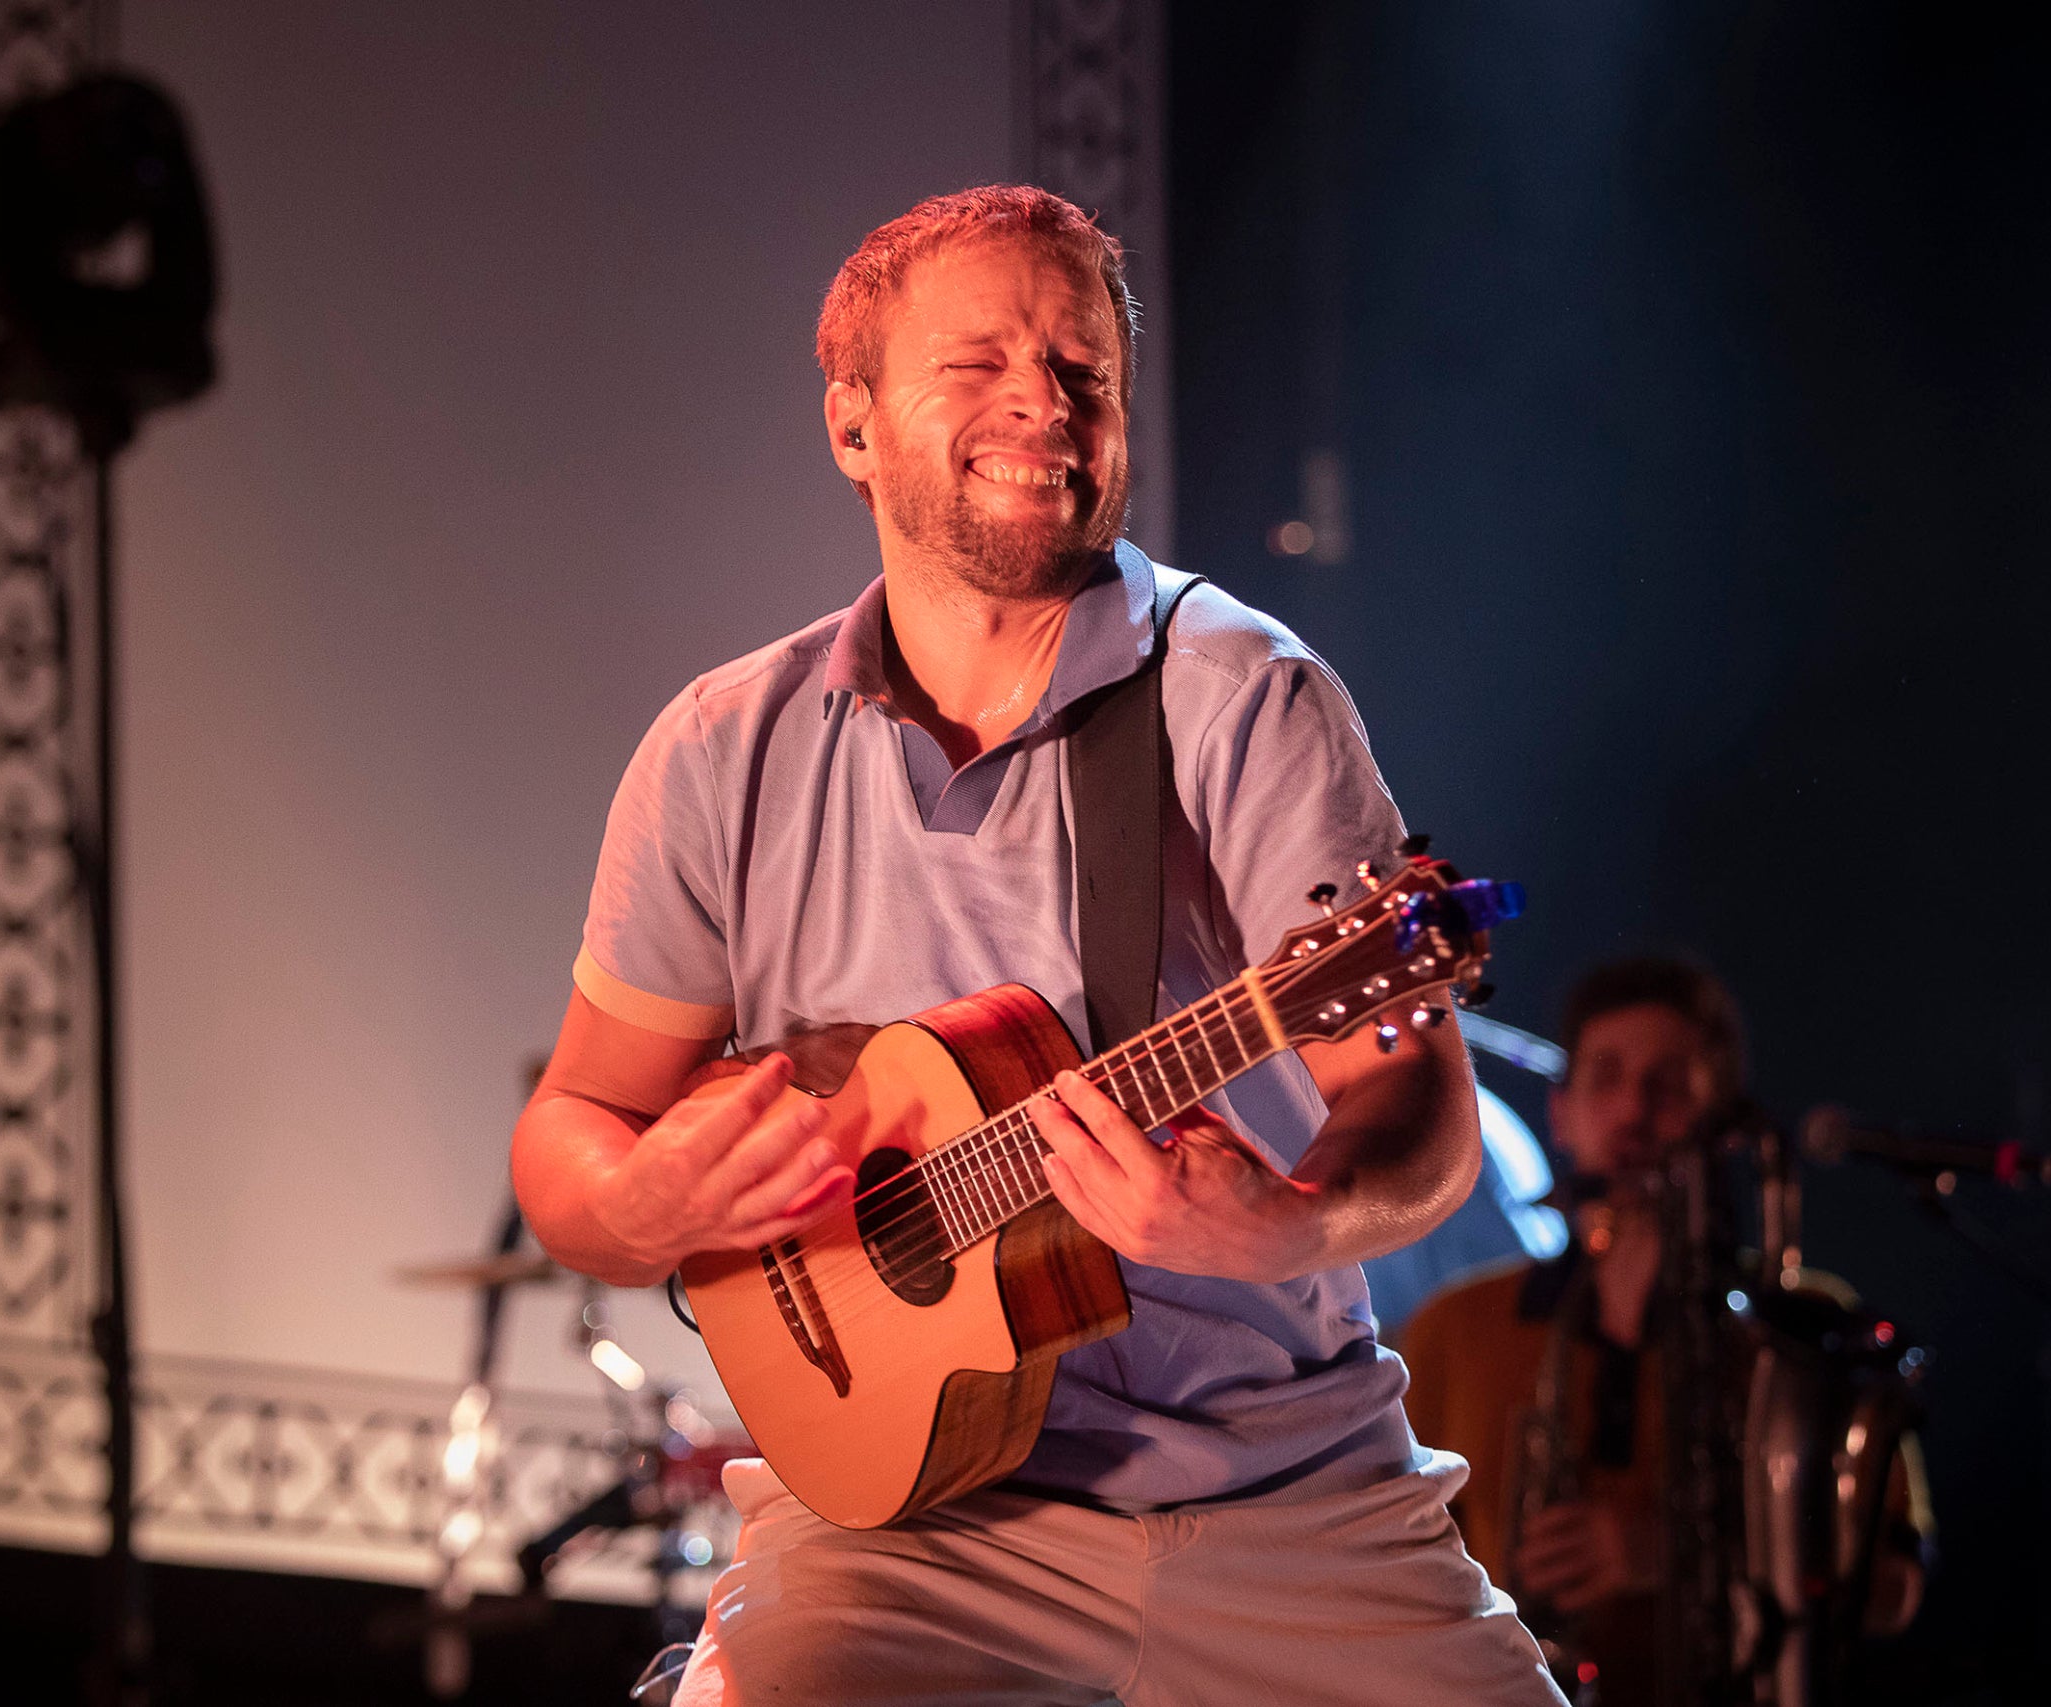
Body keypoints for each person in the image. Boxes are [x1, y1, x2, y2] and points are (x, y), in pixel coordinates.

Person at [508, 186, 1563, 1705]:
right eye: (980, 363)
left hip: (1280, 1490)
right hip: (898, 1517)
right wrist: (639, 1194)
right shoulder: (722, 745)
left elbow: (1421, 1112)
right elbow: (573, 1128)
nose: (1043, 407)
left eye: (1084, 372)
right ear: (853, 424)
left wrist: (1288, 1223)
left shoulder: (1246, 698)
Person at [1401, 956, 1930, 1705]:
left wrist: (1670, 1550)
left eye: (1672, 1083)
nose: (1634, 1109)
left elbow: (1896, 1590)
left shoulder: (1804, 1323)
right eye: (1606, 1076)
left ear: (1727, 1119)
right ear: (1562, 1109)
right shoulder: (1452, 1327)